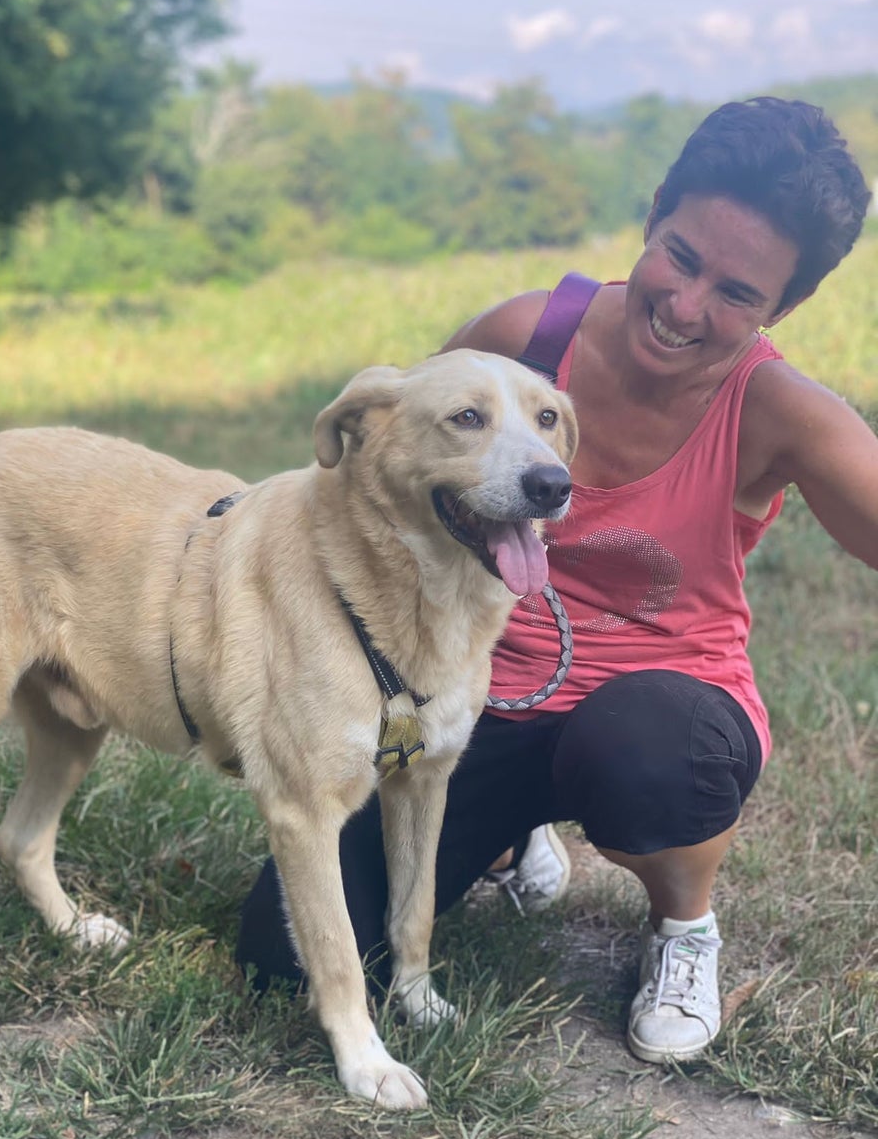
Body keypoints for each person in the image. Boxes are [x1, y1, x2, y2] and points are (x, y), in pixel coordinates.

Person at [236, 96, 878, 1063]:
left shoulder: (778, 407)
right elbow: (393, 467)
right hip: (474, 698)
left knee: (646, 753)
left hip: (656, 705)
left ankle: (684, 926)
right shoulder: (530, 334)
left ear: (780, 310)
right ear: (654, 214)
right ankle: (510, 836)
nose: (687, 306)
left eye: (737, 294)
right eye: (681, 257)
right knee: (278, 959)